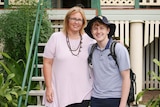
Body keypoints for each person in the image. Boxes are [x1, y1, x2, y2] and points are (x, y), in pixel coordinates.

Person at [42, 6, 95, 107]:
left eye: (79, 19)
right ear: (67, 20)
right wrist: (49, 87)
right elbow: (47, 63)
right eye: (73, 19)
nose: (76, 22)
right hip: (59, 91)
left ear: (83, 22)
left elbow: (102, 48)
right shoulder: (56, 38)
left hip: (82, 93)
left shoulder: (89, 40)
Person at [84, 15, 131, 107]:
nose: (98, 32)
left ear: (108, 30)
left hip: (115, 98)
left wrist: (122, 104)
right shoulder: (91, 49)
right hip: (96, 99)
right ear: (91, 31)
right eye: (95, 28)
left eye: (102, 28)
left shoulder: (118, 49)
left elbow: (126, 77)